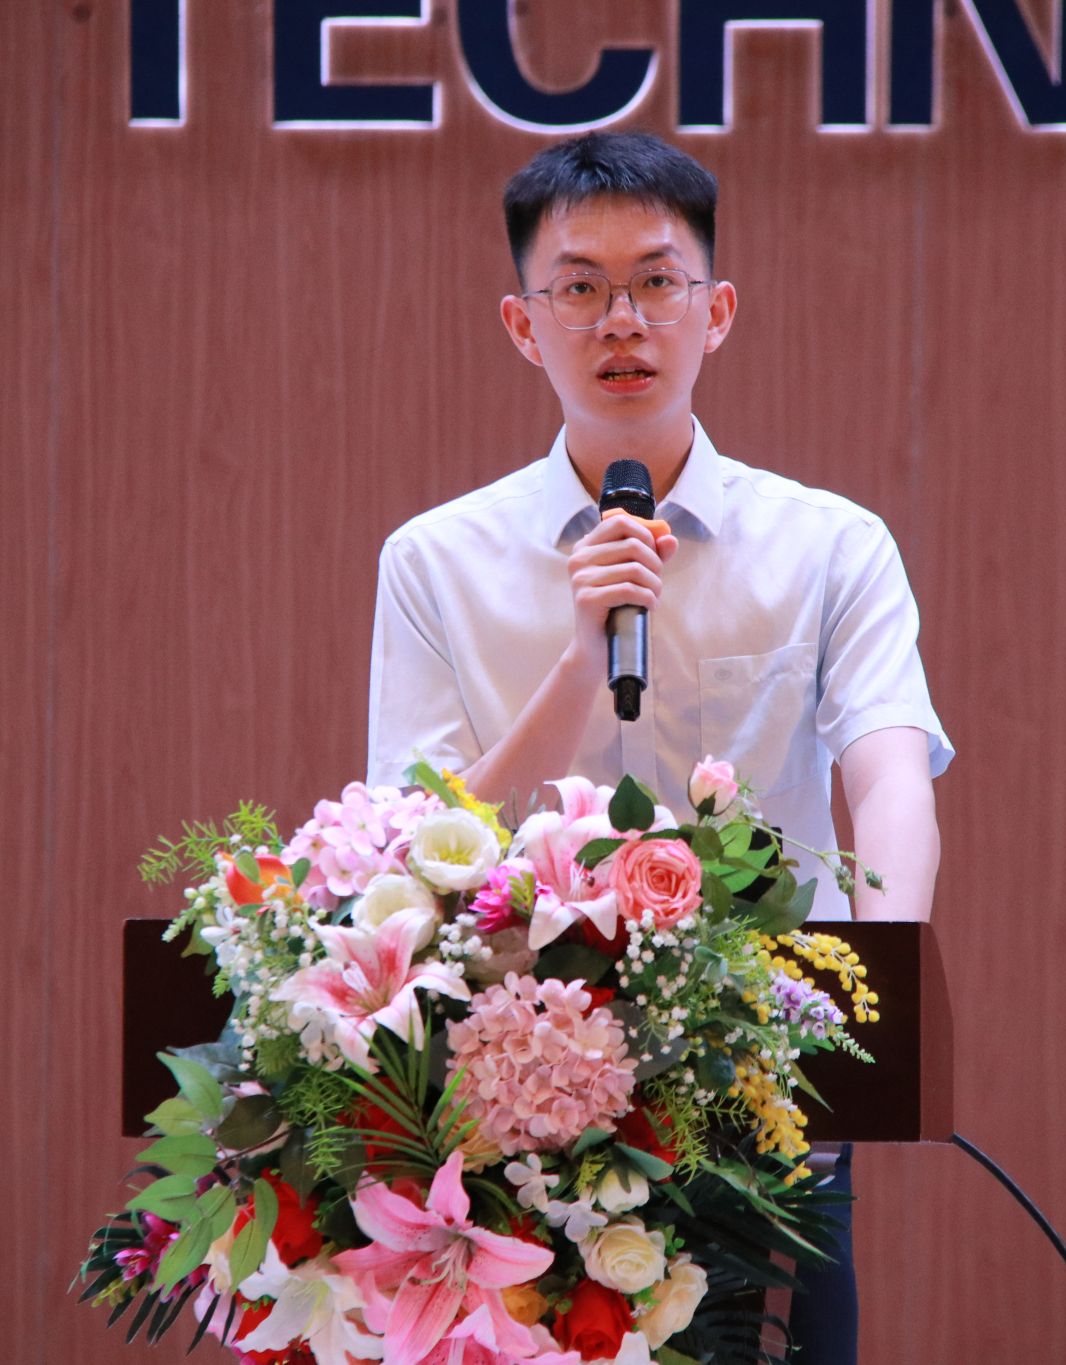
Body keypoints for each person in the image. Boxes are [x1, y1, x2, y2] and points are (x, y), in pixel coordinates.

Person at [364, 131, 954, 1363]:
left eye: (655, 281)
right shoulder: (432, 562)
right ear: (523, 326)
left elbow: (889, 775)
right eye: (578, 287)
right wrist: (581, 659)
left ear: (715, 311)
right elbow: (415, 851)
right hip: (511, 1122)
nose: (620, 319)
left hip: (764, 1109)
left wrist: (874, 990)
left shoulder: (831, 546)